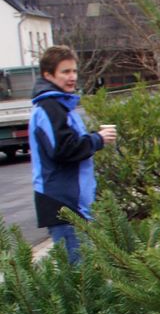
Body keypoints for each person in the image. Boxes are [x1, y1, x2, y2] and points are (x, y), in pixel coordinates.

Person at [28, 46, 117, 263]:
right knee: (81, 276)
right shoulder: (49, 107)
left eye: (74, 71)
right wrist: (97, 139)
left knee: (87, 269)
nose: (72, 77)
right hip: (63, 204)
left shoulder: (61, 106)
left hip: (75, 204)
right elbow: (63, 149)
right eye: (65, 72)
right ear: (48, 75)